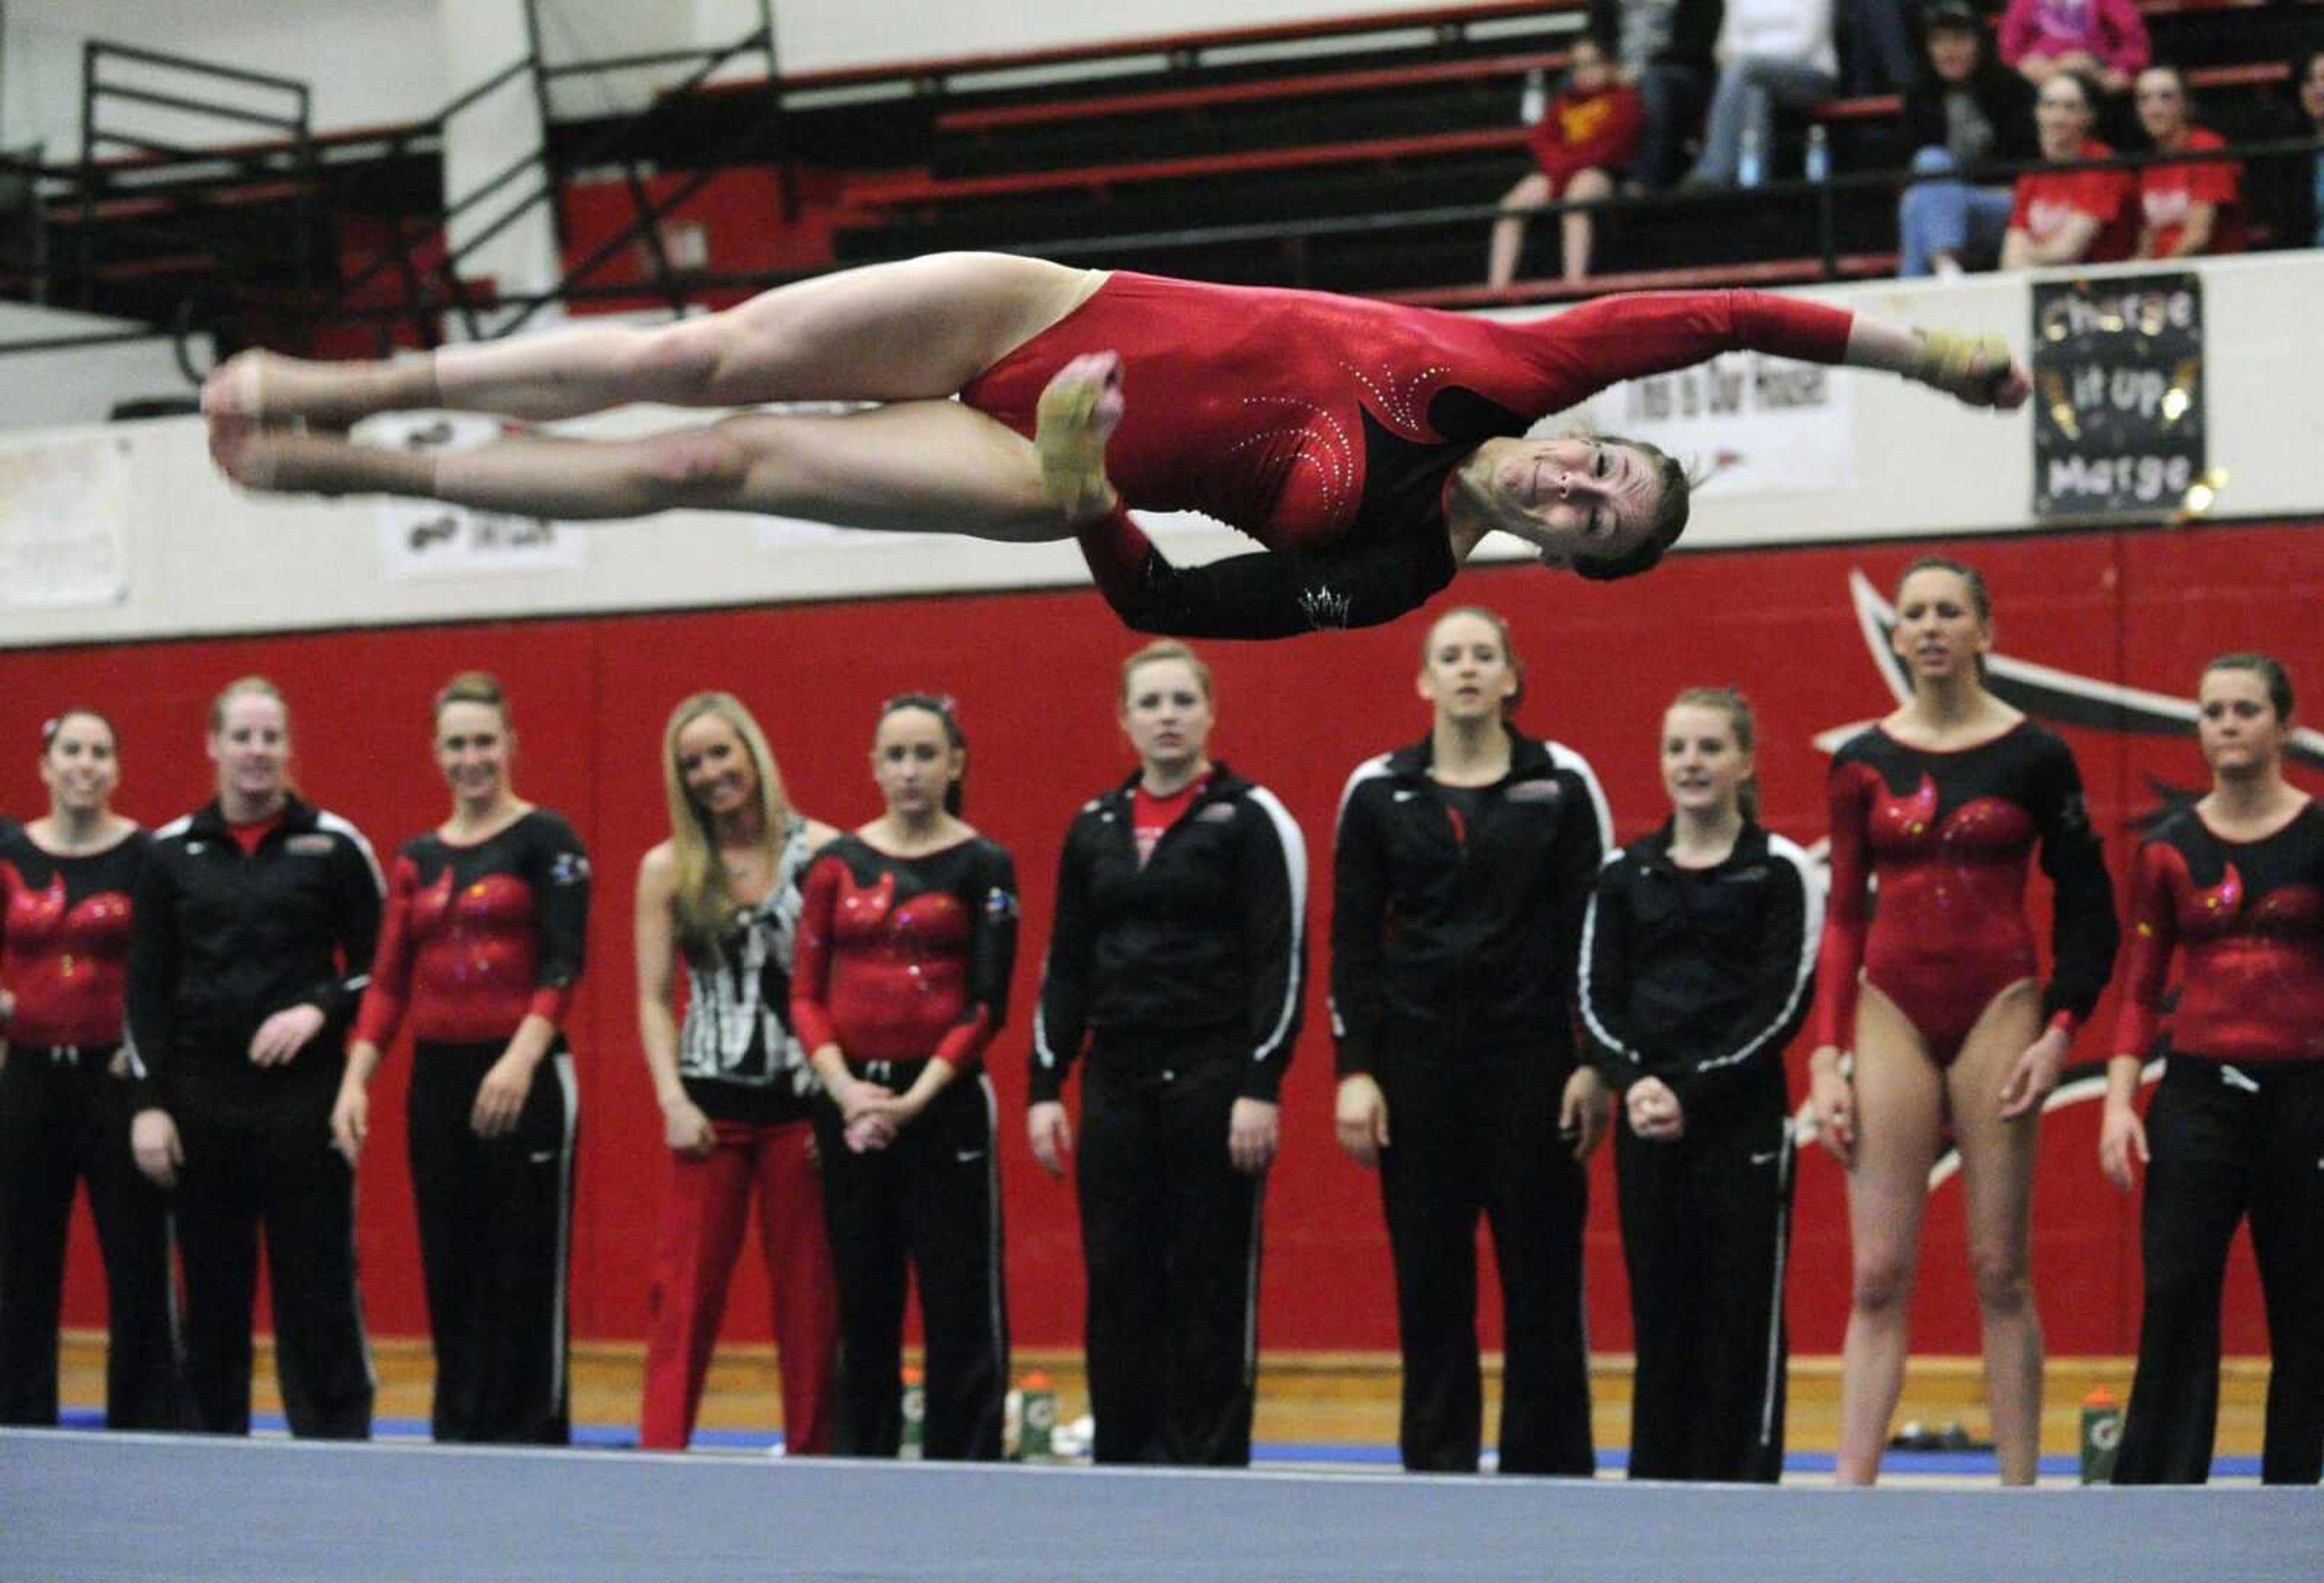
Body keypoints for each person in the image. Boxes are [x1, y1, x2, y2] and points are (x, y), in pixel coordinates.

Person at [202, 256, 2027, 640]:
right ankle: (364, 385)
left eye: (1595, 525)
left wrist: (1081, 500)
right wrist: (1929, 358)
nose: (1574, 485)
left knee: (720, 466)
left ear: (1573, 561)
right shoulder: (1514, 363)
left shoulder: (1394, 571)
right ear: (1589, 441)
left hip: (1049, 470)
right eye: (1600, 469)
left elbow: (1169, 610)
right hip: (1040, 312)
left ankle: (367, 473)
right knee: (707, 351)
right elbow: (1734, 313)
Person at [1807, 557, 2119, 1485]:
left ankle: (2021, 1493)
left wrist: (2062, 1027)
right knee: (1876, 1274)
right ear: (1897, 636)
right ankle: (1849, 1493)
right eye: (1916, 614)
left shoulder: (2035, 755)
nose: (1932, 626)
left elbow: (2089, 908)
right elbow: (1844, 919)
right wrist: (1826, 1056)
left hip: (2001, 1008)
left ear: (1986, 631)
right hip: (1889, 1008)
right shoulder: (1862, 761)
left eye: (1950, 611)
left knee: (1998, 1270)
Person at [1331, 608, 1613, 1475]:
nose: (1465, 669)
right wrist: (1357, 1073)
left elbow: (1596, 933)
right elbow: (1351, 943)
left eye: (1483, 654)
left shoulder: (1562, 783)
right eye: (1449, 656)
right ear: (1424, 680)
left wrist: (1595, 1063)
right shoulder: (1378, 791)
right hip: (1418, 1068)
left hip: (1532, 1065)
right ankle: (1437, 1469)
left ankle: (1552, 1471)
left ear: (1509, 678)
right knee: (1430, 1281)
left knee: (1542, 1277)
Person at [1027, 641, 1307, 1466]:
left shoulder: (1252, 819)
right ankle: (1124, 1457)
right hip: (1117, 1083)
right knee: (1119, 1277)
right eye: (1150, 703)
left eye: (1183, 700)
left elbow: (1279, 961)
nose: (1168, 716)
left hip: (1217, 1085)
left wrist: (1262, 1085)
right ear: (1125, 721)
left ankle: (1208, 1463)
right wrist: (1046, 1085)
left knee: (1208, 1281)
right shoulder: (1094, 828)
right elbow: (1066, 964)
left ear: (1211, 712)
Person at [331, 673, 589, 1444]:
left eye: (485, 741)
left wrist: (519, 1060)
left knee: (523, 1269)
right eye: (457, 744)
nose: (472, 757)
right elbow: (387, 981)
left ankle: (530, 1433)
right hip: (439, 1081)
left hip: (528, 1073)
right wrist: (354, 1080)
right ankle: (460, 1432)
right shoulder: (415, 859)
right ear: (436, 753)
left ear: (510, 744)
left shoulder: (549, 841)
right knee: (451, 1265)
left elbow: (565, 963)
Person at [125, 677, 384, 1438]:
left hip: (305, 1106)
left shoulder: (336, 847)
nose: (257, 752)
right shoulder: (170, 855)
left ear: (289, 747)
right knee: (211, 1296)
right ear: (213, 745)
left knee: (319, 1290)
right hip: (200, 1107)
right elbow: (144, 991)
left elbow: (384, 972)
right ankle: (212, 1454)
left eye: (271, 737)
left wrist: (321, 1007)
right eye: (243, 736)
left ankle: (335, 1449)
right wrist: (148, 1104)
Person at [1578, 687, 1821, 1483]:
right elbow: (1593, 996)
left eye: (1710, 748)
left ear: (1745, 761)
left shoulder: (1779, 871)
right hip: (1649, 1123)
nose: (1692, 763)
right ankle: (1657, 1485)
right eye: (1678, 748)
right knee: (1663, 1311)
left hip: (1739, 1125)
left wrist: (1690, 1090)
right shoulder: (1625, 873)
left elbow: (1780, 1006)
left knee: (1739, 1313)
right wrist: (1635, 1082)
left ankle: (1745, 1485)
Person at [2102, 654, 2322, 1486]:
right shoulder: (2168, 852)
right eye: (2213, 710)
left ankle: (2296, 1488)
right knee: (2178, 1288)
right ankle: (2158, 1487)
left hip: (2307, 1099)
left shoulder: (2317, 835)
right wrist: (2121, 1103)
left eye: (2246, 709)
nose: (2227, 723)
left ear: (2285, 726)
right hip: (2198, 1096)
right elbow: (2138, 988)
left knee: (2305, 1303)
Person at [792, 695, 1017, 1460]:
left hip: (944, 1105)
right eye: (897, 756)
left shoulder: (985, 864)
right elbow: (804, 992)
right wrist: (846, 1090)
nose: (912, 771)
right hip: (852, 1106)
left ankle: (969, 1463)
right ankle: (865, 1460)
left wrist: (918, 1099)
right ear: (875, 768)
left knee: (958, 1298)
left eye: (927, 755)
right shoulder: (836, 866)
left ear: (955, 763)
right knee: (864, 1295)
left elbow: (989, 1002)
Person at [632, 692, 841, 1455]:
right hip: (708, 1111)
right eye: (694, 764)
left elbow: (840, 994)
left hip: (800, 1110)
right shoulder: (667, 869)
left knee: (812, 1305)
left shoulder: (827, 854)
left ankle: (816, 1456)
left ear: (752, 752)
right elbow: (654, 1000)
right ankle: (661, 1455)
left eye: (722, 753)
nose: (712, 772)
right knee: (682, 1299)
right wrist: (670, 1099)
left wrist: (837, 1107)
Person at [0, 712, 184, 1429]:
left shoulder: (149, 857)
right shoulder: (11, 854)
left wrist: (147, 1066)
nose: (86, 764)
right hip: (29, 1082)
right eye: (71, 751)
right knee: (20, 1266)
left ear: (117, 768)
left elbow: (170, 972)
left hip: (115, 1084)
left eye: (101, 752)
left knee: (137, 1262)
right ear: (45, 766)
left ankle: (143, 1423)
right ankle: (17, 1422)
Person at [1896, 1, 2040, 278]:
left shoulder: (2012, 89)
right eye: (1939, 42)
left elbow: (2030, 162)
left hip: (2005, 205)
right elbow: (1905, 165)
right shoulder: (1918, 96)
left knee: (1922, 196)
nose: (1949, 52)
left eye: (1959, 40)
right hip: (1941, 205)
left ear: (1980, 43)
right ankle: (1945, 266)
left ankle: (1918, 285)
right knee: (1923, 183)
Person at [1488, 35, 1644, 289]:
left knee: (1578, 196)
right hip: (1560, 172)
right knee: (1510, 208)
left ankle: (1574, 283)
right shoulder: (1564, 102)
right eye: (1579, 66)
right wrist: (1562, 170)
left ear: (1611, 65)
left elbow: (1608, 149)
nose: (1586, 72)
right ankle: (1497, 289)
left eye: (1593, 63)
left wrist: (1563, 169)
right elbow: (1541, 139)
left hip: (1602, 173)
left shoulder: (1625, 101)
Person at [1682, 0, 1840, 189]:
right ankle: (1753, 183)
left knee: (1744, 69)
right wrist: (1753, 63)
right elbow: (1726, 46)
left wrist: (1754, 59)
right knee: (1755, 91)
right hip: (1752, 78)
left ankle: (1717, 169)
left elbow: (1806, 42)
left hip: (1810, 75)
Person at [1999, 69, 2137, 269]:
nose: (2057, 118)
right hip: (2045, 280)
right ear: (2037, 112)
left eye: (2070, 108)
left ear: (2089, 116)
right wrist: (2025, 258)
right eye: (2049, 105)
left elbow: (2067, 251)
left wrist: (2027, 255)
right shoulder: (2032, 174)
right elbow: (2010, 255)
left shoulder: (2102, 164)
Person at [1590, 0, 1722, 192]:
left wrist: (1639, 70)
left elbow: (1698, 45)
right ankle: (1577, 173)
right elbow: (1597, 35)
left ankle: (1644, 179)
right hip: (1619, 70)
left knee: (1654, 83)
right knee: (1574, 81)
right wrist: (1608, 67)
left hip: (1681, 72)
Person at [2128, 65, 2244, 260]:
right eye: (2144, 99)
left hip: (2204, 274)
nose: (2154, 109)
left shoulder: (2207, 147)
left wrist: (2157, 278)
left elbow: (2197, 238)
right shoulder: (2150, 162)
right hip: (2160, 277)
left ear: (2187, 104)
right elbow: (2147, 240)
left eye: (2166, 97)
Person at [1997, 0, 2148, 98]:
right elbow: (2010, 45)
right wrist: (2023, 63)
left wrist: (2121, 70)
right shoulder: (2025, 3)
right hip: (2040, 77)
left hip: (2093, 76)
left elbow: (2134, 41)